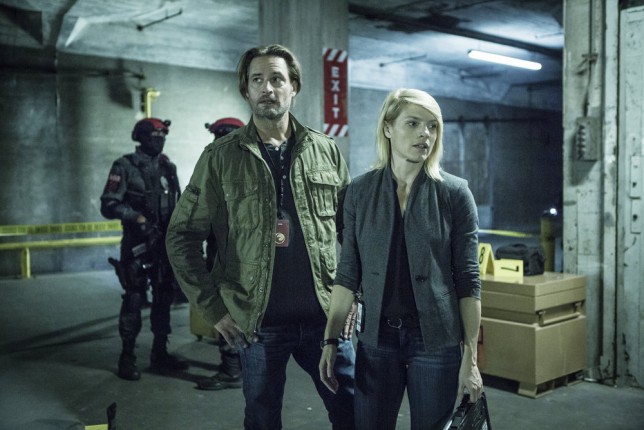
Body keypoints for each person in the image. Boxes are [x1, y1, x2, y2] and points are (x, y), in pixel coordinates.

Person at [166, 44, 355, 430]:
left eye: (277, 79)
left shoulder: (326, 151)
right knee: (263, 419)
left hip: (326, 319)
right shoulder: (220, 157)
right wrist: (214, 310)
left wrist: (356, 295)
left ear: (293, 87)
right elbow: (182, 235)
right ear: (246, 90)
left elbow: (353, 233)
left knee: (353, 412)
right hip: (257, 325)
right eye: (257, 80)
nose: (268, 88)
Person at [318, 88, 483, 430]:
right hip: (377, 339)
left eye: (432, 126)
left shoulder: (455, 193)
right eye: (413, 123)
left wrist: (470, 357)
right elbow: (348, 273)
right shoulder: (358, 192)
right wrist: (331, 339)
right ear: (388, 128)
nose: (425, 134)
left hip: (435, 340)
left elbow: (469, 281)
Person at [100, 117, 189, 381]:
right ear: (139, 137)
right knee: (134, 298)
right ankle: (127, 357)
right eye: (154, 135)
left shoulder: (168, 167)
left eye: (163, 136)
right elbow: (108, 204)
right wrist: (136, 217)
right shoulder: (124, 166)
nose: (159, 140)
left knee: (164, 298)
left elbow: (177, 202)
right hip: (137, 244)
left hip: (163, 244)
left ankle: (160, 353)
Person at [196, 117, 245, 391]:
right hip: (244, 256)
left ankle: (232, 370)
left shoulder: (217, 168)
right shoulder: (257, 164)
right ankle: (244, 367)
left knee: (227, 311)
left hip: (227, 258)